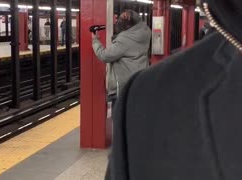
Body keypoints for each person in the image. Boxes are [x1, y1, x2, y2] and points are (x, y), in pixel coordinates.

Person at [106, 0, 242, 179]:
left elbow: (106, 55)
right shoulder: (145, 98)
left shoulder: (146, 104)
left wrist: (95, 41)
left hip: (121, 79)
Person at [92, 10, 151, 106]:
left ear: (127, 26)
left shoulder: (124, 40)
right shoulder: (146, 31)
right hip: (139, 81)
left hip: (123, 87)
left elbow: (104, 55)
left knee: (119, 118)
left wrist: (95, 40)